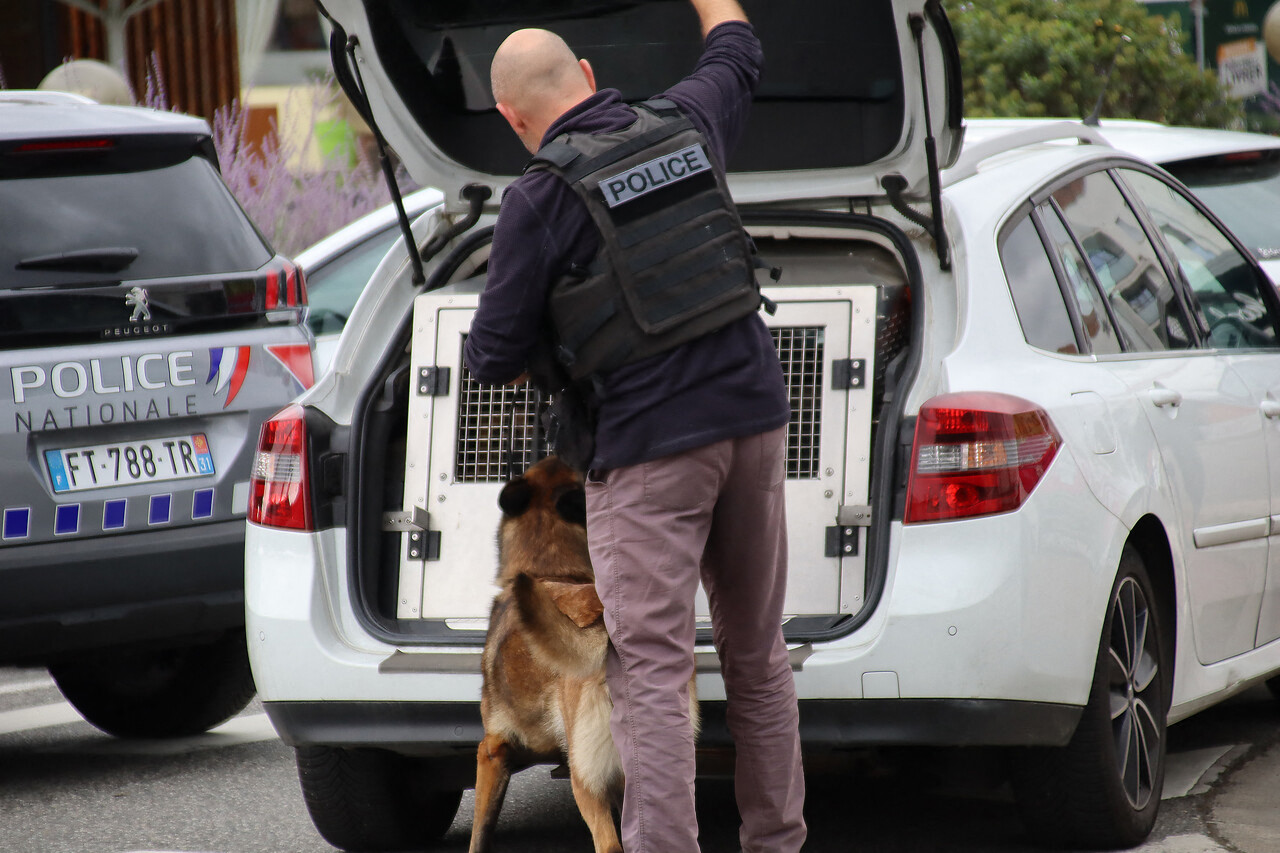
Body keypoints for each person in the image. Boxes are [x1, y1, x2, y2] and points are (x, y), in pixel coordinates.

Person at [463, 2, 806, 851]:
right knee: (758, 653)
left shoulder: (538, 199)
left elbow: (491, 356)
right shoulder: (684, 122)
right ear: (587, 76)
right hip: (754, 422)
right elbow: (737, 47)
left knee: (650, 669)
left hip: (651, 454)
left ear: (511, 118)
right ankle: (777, 840)